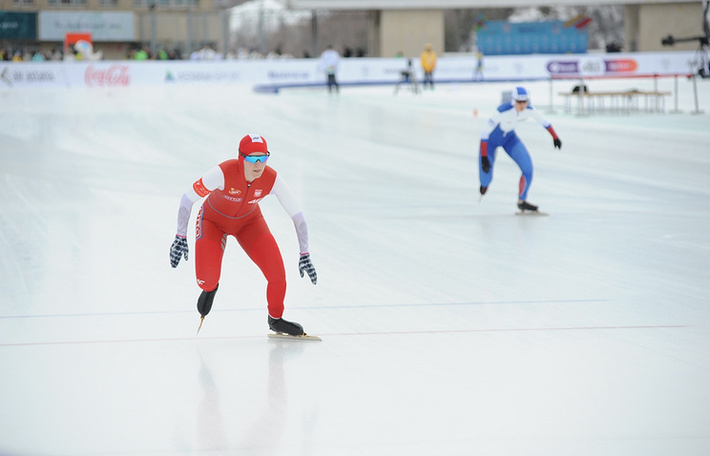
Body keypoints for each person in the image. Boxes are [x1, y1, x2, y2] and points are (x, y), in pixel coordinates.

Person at [169, 134, 318, 336]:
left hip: (249, 223)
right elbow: (187, 199)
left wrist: (304, 253)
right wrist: (180, 236)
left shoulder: (271, 179)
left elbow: (297, 215)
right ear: (241, 158)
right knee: (206, 280)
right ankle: (210, 288)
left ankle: (275, 319)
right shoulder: (223, 172)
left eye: (263, 158)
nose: (258, 165)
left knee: (277, 275)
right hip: (212, 222)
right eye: (252, 159)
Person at [478, 86, 562, 212]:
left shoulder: (529, 110)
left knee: (528, 169)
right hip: (490, 142)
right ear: (513, 101)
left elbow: (545, 122)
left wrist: (555, 137)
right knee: (486, 178)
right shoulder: (502, 111)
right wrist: (484, 156)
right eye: (519, 102)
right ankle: (484, 185)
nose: (522, 105)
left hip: (509, 139)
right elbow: (484, 133)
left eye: (525, 102)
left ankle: (521, 201)